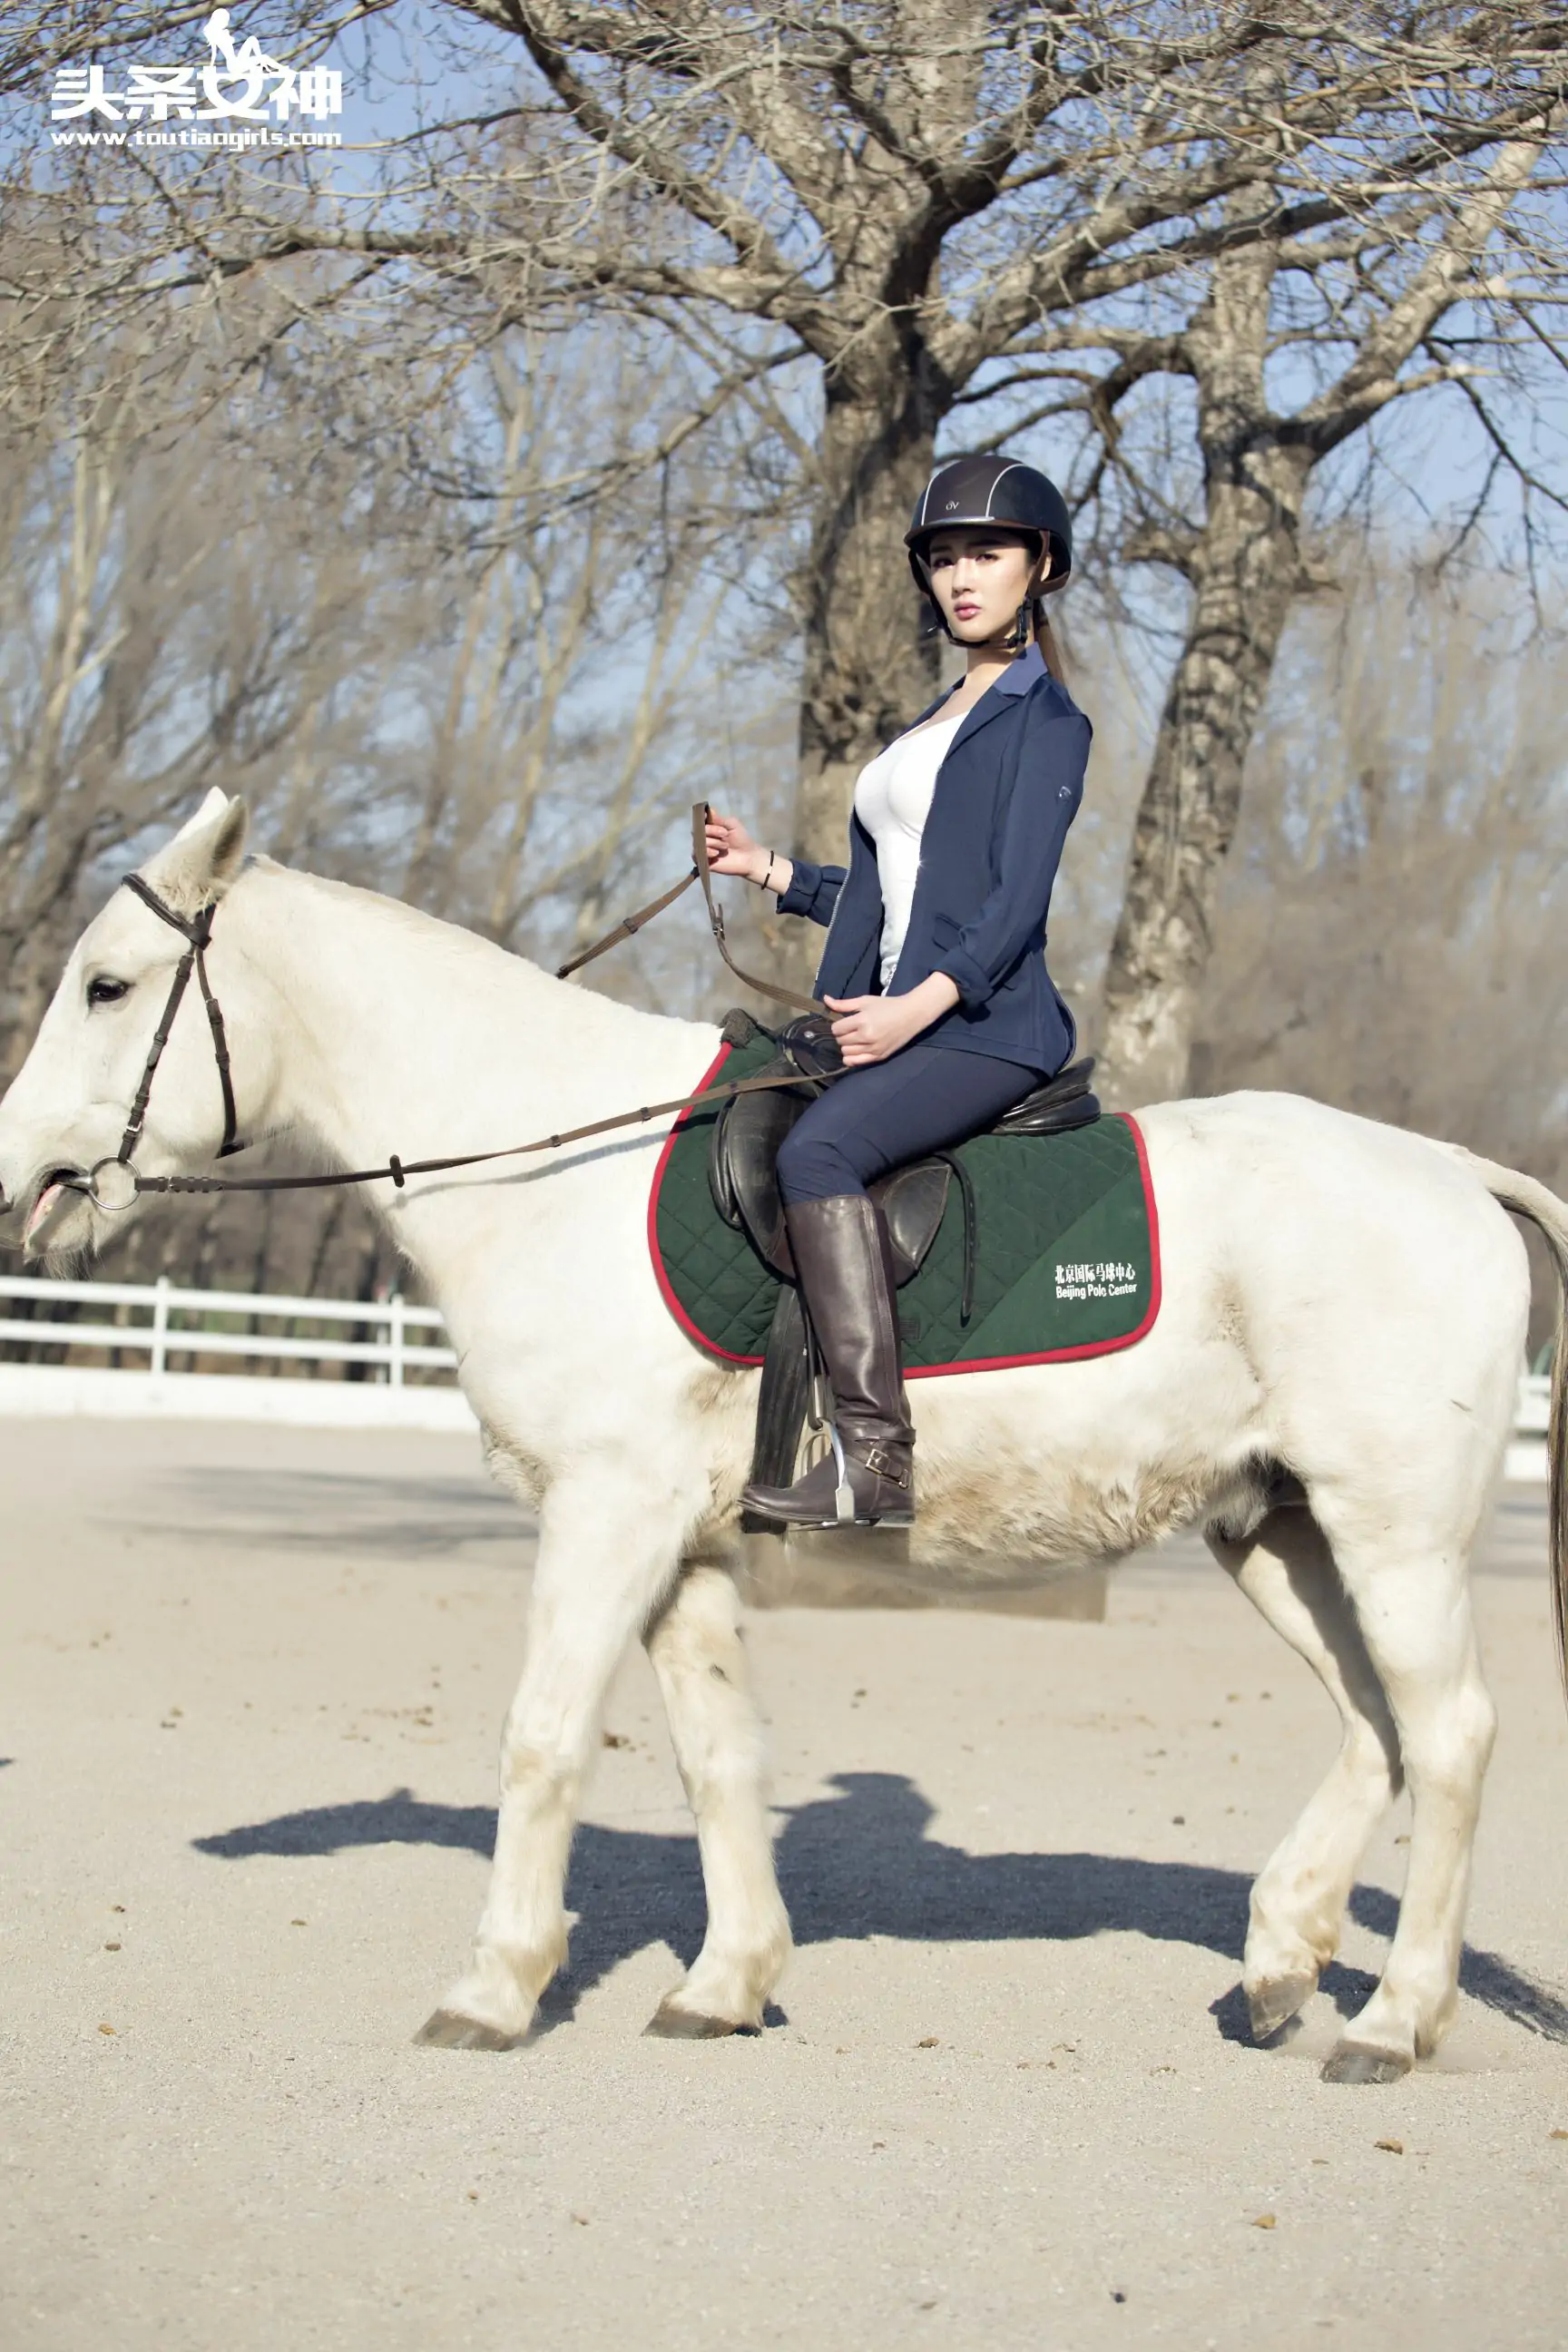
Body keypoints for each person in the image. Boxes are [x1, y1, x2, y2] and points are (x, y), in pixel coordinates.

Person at [704, 454, 1091, 1530]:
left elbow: (1012, 906)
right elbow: (898, 894)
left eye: (988, 553)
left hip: (983, 1028)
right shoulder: (928, 722)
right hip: (890, 1017)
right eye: (946, 558)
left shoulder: (1047, 725)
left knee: (818, 1154)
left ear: (1039, 566)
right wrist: (773, 872)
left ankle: (874, 1461)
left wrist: (916, 1009)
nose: (963, 576)